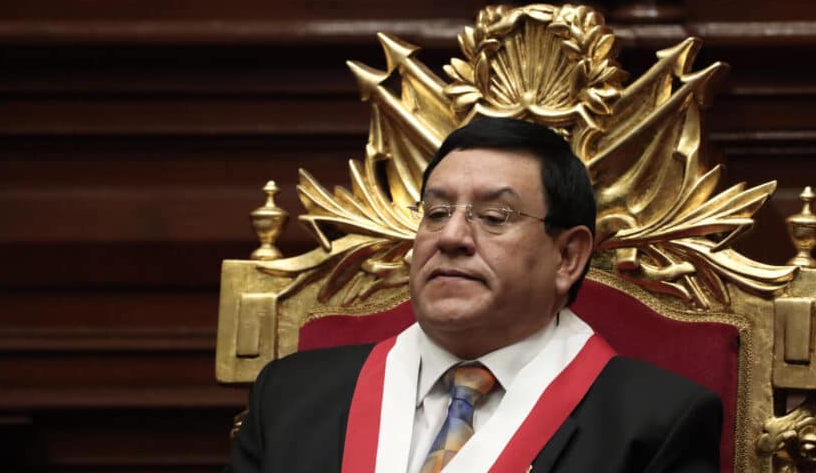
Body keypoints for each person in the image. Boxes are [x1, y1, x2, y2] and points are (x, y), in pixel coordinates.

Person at [228, 117, 722, 472]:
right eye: (437, 212)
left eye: (494, 217)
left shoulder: (655, 424)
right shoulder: (291, 396)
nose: (452, 238)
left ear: (568, 257)